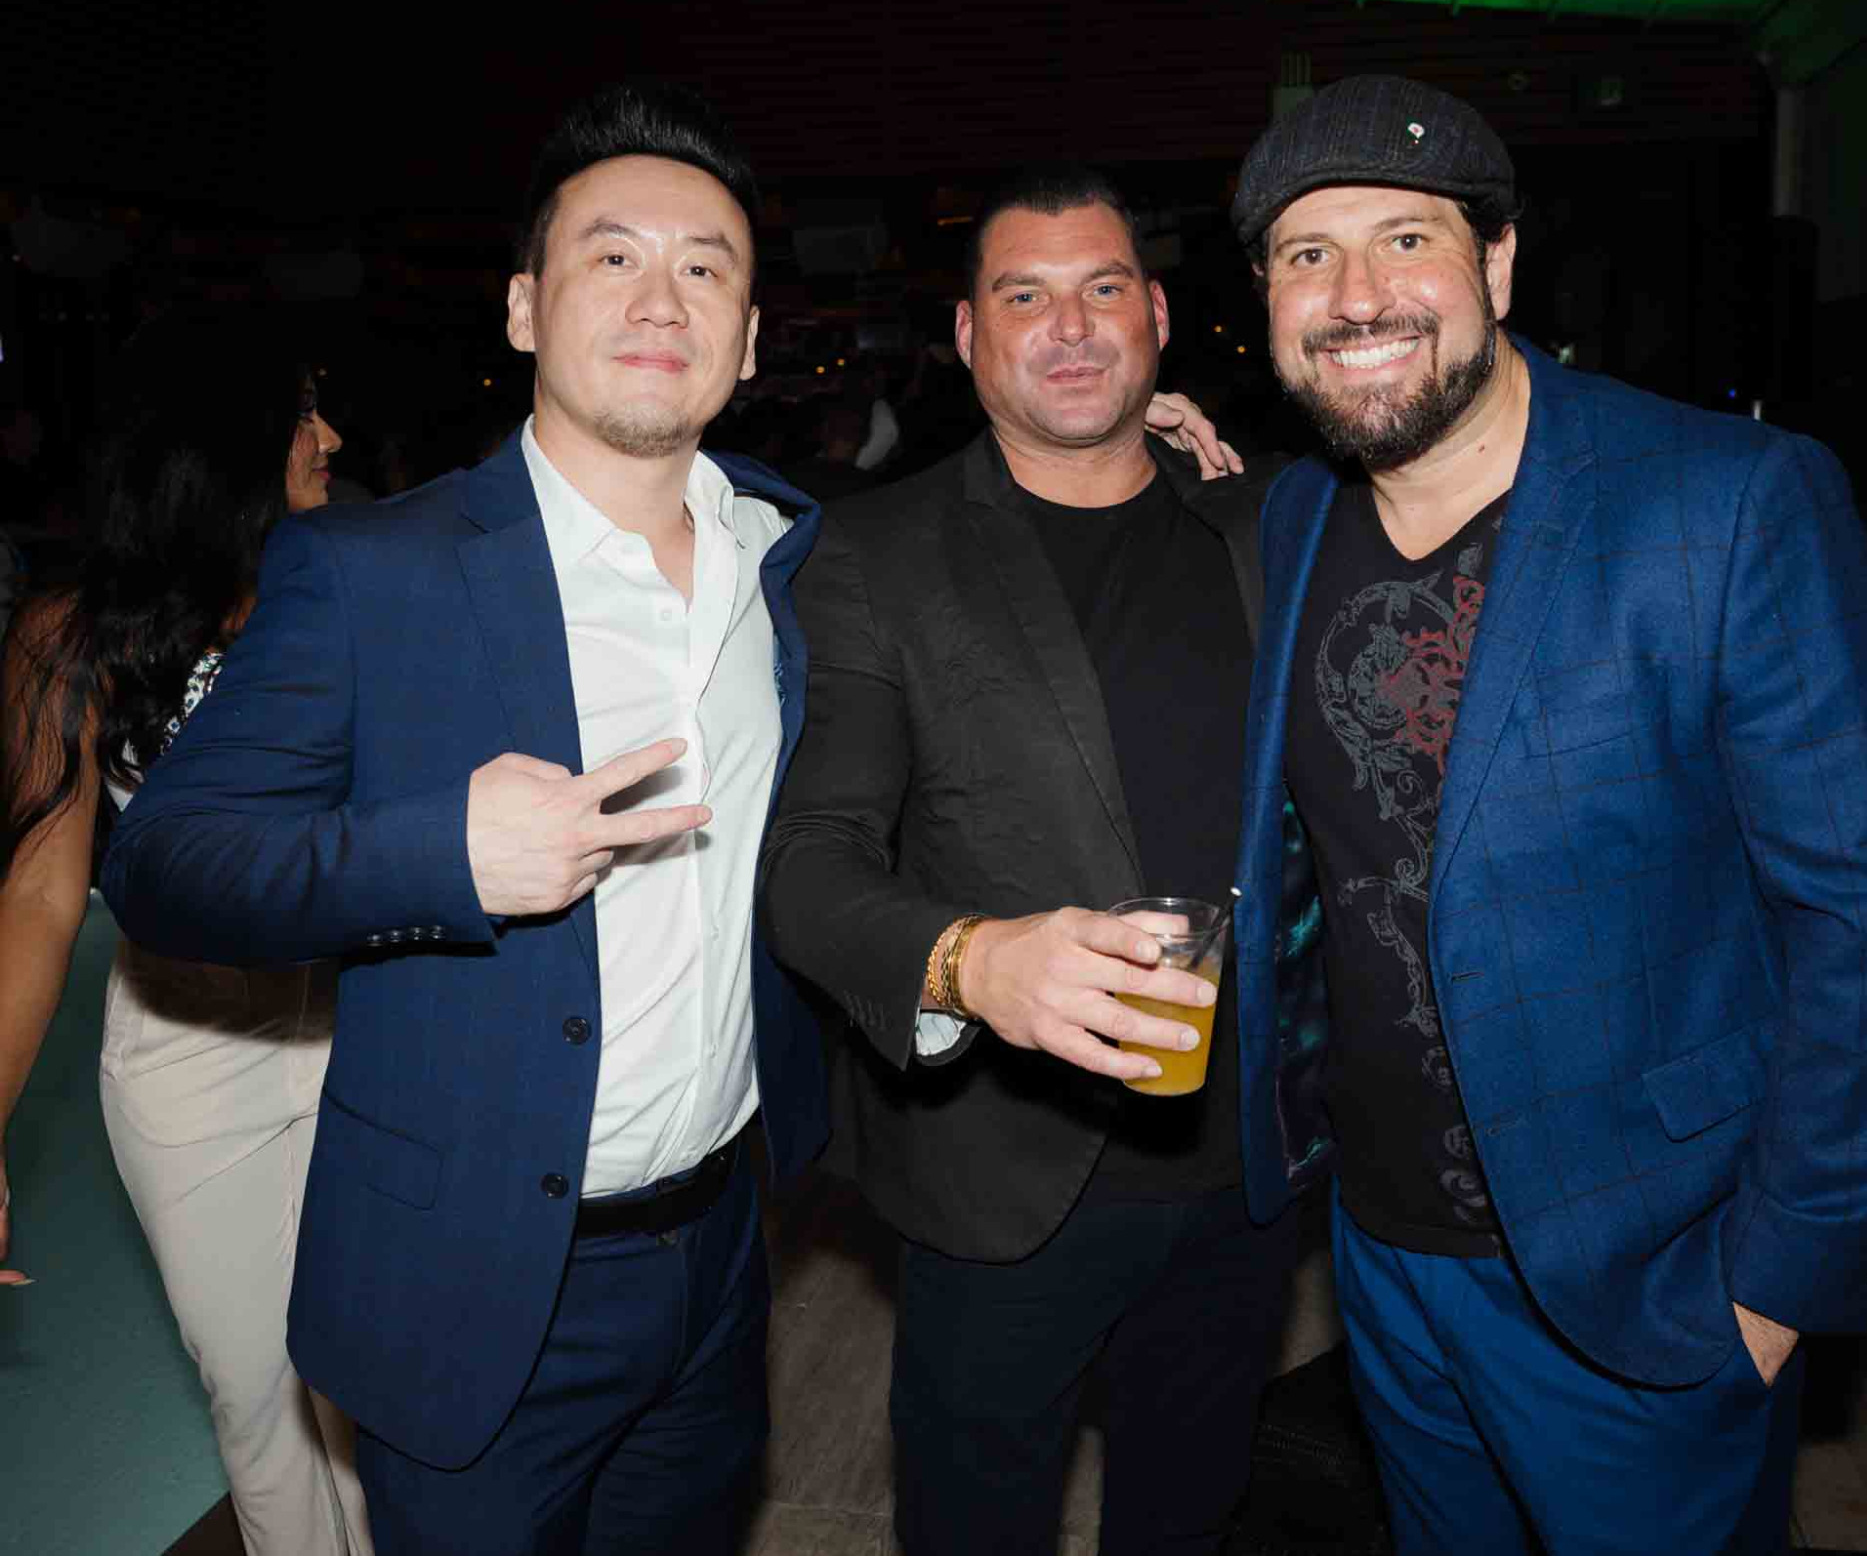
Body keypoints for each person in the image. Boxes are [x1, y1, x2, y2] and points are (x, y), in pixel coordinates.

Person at [1225, 74, 1867, 1554]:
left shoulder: (1727, 498)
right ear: (1267, 300)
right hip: (1379, 1254)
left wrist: (1778, 1278)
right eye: (1308, 254)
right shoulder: (1293, 516)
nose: (1356, 295)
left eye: (1405, 240)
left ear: (1497, 264)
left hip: (1650, 1275)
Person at [99, 81, 829, 1555]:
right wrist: (442, 853)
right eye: (611, 256)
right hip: (475, 1279)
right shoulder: (374, 570)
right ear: (522, 308)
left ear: (749, 339)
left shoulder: (791, 553)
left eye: (705, 267)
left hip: (722, 1252)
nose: (661, 297)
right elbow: (166, 860)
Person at [761, 166, 1294, 1556]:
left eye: (1102, 287)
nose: (1069, 325)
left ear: (1157, 317)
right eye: (1023, 295)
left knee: (1191, 1511)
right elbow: (808, 862)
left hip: (1243, 1165)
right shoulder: (874, 552)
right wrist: (970, 962)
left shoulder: (1267, 525)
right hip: (1005, 1177)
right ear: (966, 335)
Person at [0, 313, 369, 1555]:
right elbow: (38, 897)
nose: (331, 436)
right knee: (258, 1406)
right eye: (303, 411)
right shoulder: (69, 637)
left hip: (367, 1027)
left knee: (382, 1384)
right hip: (185, 1051)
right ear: (222, 442)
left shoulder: (358, 590)